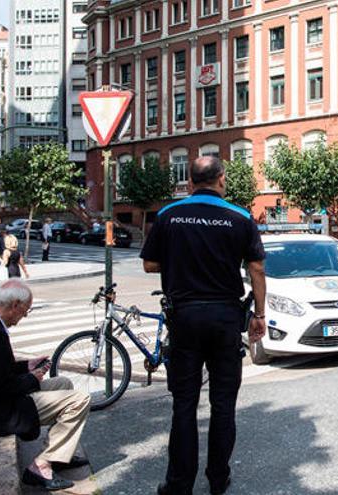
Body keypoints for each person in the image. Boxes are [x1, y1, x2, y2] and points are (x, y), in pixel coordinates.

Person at [140, 156, 266, 495]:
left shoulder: (168, 215)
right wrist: (259, 315)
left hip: (184, 318)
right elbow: (257, 269)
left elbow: (150, 264)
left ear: (191, 182)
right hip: (225, 318)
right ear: (221, 179)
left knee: (184, 403)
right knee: (223, 404)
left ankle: (179, 485)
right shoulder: (240, 217)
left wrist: (181, 259)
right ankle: (218, 479)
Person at [0, 280, 90, 491]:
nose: (24, 316)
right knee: (80, 400)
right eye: (26, 310)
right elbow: (1, 387)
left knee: (64, 383)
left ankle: (58, 453)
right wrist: (34, 377)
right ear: (15, 305)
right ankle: (41, 466)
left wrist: (27, 366)